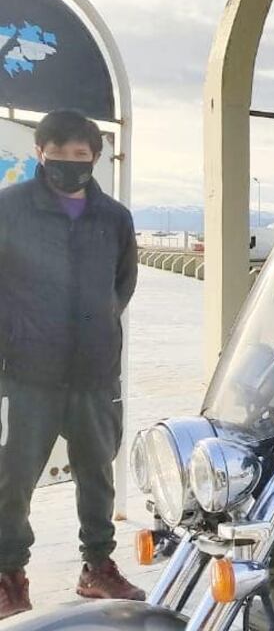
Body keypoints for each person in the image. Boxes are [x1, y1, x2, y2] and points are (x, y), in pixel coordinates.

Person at [0, 109, 144, 619]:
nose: (67, 164)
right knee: (13, 479)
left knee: (97, 473)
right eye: (57, 155)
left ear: (95, 159)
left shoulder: (114, 218)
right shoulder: (11, 208)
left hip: (93, 372)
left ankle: (98, 567)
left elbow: (121, 286)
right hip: (27, 373)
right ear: (41, 154)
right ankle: (9, 576)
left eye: (79, 156)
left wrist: (97, 327)